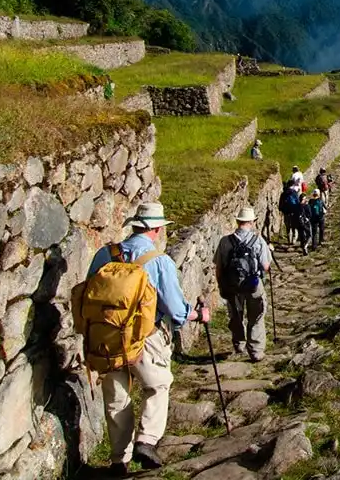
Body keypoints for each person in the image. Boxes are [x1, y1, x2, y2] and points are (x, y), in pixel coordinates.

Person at [84, 202, 210, 475]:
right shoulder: (159, 261)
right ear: (154, 229)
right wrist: (197, 316)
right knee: (158, 385)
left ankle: (119, 460)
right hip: (145, 336)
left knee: (116, 395)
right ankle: (147, 440)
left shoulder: (105, 254)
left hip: (106, 336)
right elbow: (176, 310)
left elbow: (89, 292)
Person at [213, 207, 271, 363]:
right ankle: (256, 351)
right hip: (253, 284)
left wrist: (221, 285)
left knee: (236, 314)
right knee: (257, 316)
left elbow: (219, 267)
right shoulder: (258, 240)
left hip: (232, 285)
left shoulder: (225, 241)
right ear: (252, 222)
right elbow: (265, 266)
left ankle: (239, 344)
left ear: (238, 221)